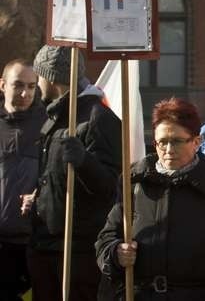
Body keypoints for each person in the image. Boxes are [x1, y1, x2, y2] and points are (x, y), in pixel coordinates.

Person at [96, 97, 205, 300]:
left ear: (197, 142)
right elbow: (105, 240)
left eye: (177, 141)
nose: (169, 150)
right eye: (162, 142)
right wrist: (116, 253)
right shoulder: (135, 186)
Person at [25, 45, 122, 301]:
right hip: (46, 248)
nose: (38, 84)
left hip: (76, 254)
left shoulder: (97, 118)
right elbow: (56, 180)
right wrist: (38, 201)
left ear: (52, 77)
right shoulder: (57, 115)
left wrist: (85, 161)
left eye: (39, 76)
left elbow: (111, 186)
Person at [0, 59, 47, 300]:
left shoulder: (48, 124)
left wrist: (39, 194)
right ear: (2, 85)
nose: (25, 93)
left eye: (31, 86)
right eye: (18, 85)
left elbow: (55, 177)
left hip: (34, 244)